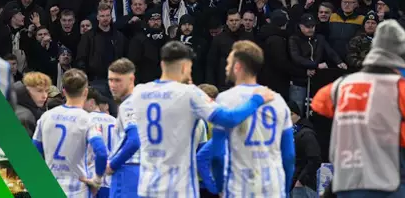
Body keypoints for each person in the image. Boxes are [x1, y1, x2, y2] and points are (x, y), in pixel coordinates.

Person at [129, 41, 274, 197]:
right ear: (185, 67)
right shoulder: (189, 93)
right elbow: (228, 119)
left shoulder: (139, 91)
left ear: (162, 63)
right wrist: (257, 99)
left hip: (147, 185)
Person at [311, 20, 405, 197]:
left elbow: (318, 104)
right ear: (403, 52)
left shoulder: (342, 85)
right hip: (392, 184)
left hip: (349, 181)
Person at [197, 40, 295, 197]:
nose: (226, 67)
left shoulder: (225, 99)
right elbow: (289, 156)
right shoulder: (278, 100)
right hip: (272, 187)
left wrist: (220, 187)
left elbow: (217, 155)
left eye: (228, 62)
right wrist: (284, 187)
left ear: (238, 67)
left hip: (240, 186)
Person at [32, 69, 108, 197]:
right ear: (85, 92)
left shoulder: (46, 116)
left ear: (63, 91)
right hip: (77, 190)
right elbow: (101, 152)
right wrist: (97, 180)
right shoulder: (87, 119)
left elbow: (34, 151)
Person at [106, 58, 141, 198]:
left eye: (118, 80)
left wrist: (113, 165)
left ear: (131, 79)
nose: (112, 85)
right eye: (110, 80)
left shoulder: (129, 104)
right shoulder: (144, 101)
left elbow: (134, 140)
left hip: (128, 171)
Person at [84, 88, 116, 198]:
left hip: (90, 179)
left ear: (91, 102)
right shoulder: (114, 120)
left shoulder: (85, 119)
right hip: (111, 181)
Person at [288, 101, 321, 198]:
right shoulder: (294, 133)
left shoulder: (306, 133)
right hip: (295, 184)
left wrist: (301, 180)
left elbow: (315, 159)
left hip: (303, 186)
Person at [13, 72, 50, 137]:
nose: (45, 96)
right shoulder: (25, 117)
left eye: (46, 91)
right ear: (26, 90)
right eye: (39, 91)